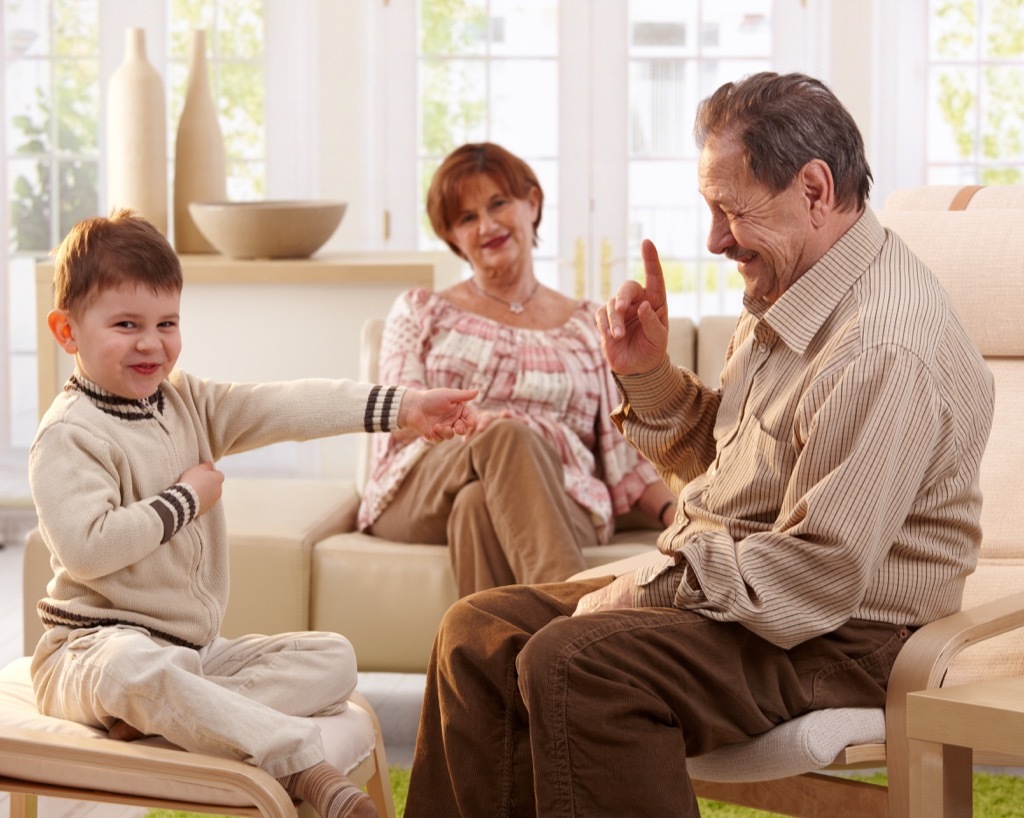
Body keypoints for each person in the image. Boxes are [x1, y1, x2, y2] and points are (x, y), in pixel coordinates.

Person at [402, 72, 996, 817]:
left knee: (574, 663)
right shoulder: (794, 287)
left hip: (846, 636)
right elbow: (738, 472)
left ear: (813, 190)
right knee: (477, 632)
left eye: (731, 211)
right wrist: (648, 376)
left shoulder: (881, 347)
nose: (714, 239)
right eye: (709, 208)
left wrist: (646, 585)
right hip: (756, 598)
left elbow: (817, 575)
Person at [28, 210, 477, 818]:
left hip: (193, 654)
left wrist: (405, 406)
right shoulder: (67, 436)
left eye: (167, 323)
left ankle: (174, 710)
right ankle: (302, 768)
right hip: (88, 653)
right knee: (132, 667)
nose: (151, 342)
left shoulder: (187, 399)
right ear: (67, 331)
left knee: (334, 658)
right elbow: (90, 547)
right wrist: (186, 500)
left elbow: (285, 405)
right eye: (126, 324)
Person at [357, 141, 676, 596]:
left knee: (477, 505)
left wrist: (679, 515)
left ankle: (495, 668)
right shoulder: (421, 310)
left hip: (561, 497)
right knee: (506, 437)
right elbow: (402, 412)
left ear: (532, 203)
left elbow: (623, 455)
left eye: (498, 204)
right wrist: (479, 425)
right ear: (453, 237)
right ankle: (578, 636)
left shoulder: (588, 325)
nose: (486, 225)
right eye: (466, 218)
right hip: (421, 485)